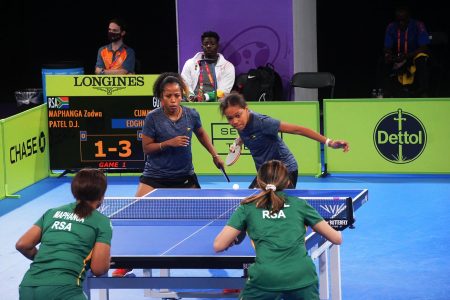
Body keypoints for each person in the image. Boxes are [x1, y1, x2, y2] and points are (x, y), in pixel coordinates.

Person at [112, 73, 225, 277]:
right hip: (155, 177)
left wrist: (215, 155)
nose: (173, 100)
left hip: (184, 177)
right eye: (168, 96)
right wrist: (168, 143)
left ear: (182, 95)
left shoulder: (191, 114)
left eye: (177, 95)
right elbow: (147, 148)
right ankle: (126, 261)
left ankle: (216, 267)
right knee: (133, 217)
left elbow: (200, 134)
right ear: (160, 97)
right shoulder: (152, 118)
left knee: (204, 221)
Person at [214, 159, 342, 300]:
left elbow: (219, 246)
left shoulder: (247, 207)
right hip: (302, 277)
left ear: (258, 181)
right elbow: (337, 238)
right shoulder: (300, 205)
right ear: (287, 182)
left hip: (265, 278)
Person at [16, 168, 112, 300]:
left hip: (28, 287)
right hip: (65, 290)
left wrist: (48, 260)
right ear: (101, 196)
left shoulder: (51, 213)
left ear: (74, 192)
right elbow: (99, 269)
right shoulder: (102, 222)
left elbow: (23, 244)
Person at [219, 93, 349, 189]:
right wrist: (237, 143)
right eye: (230, 118)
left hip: (285, 170)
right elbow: (246, 135)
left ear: (246, 109)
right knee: (250, 207)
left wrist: (329, 142)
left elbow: (299, 130)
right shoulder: (240, 125)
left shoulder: (263, 123)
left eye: (238, 115)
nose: (235, 121)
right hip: (265, 172)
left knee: (281, 209)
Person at [380, 6, 431, 97]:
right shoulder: (391, 27)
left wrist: (407, 56)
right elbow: (387, 47)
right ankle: (385, 91)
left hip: (414, 54)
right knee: (383, 60)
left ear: (409, 18)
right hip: (398, 55)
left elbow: (424, 47)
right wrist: (389, 55)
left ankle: (423, 91)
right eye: (399, 20)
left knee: (421, 57)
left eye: (404, 20)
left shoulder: (418, 25)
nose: (401, 23)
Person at [181, 31, 235, 102]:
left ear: (217, 46)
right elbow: (185, 83)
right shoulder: (190, 63)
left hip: (215, 102)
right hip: (192, 101)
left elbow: (224, 90)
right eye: (206, 44)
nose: (209, 46)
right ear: (202, 46)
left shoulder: (227, 66)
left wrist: (205, 97)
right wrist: (191, 97)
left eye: (212, 44)